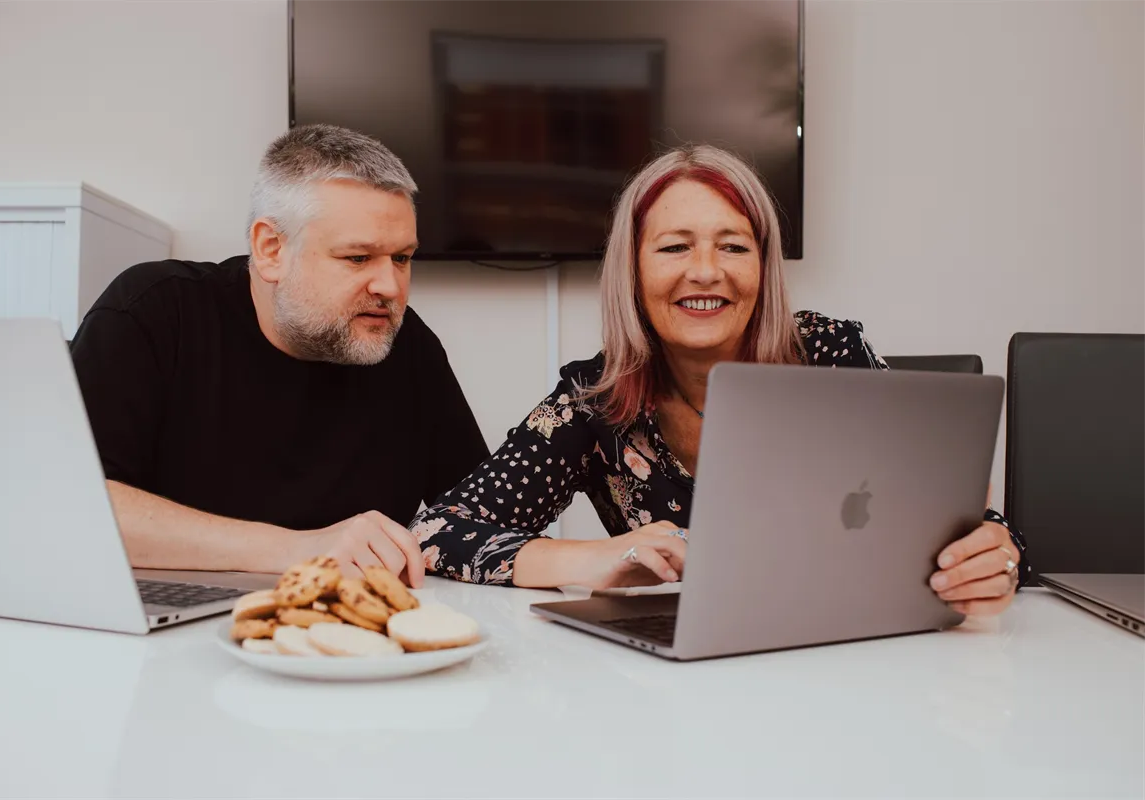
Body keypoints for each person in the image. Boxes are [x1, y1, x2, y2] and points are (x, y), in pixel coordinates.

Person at [410, 144, 1028, 617]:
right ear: (632, 269)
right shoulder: (592, 399)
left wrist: (996, 550)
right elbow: (439, 533)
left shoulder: (830, 352)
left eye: (733, 247)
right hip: (679, 681)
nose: (705, 273)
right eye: (675, 248)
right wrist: (590, 559)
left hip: (841, 657)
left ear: (763, 266)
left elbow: (964, 518)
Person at [70, 124, 488, 585]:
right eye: (357, 258)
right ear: (271, 249)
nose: (390, 287)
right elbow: (71, 504)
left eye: (402, 258)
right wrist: (297, 548)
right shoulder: (155, 311)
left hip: (348, 635)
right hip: (167, 622)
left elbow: (476, 518)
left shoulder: (410, 347)